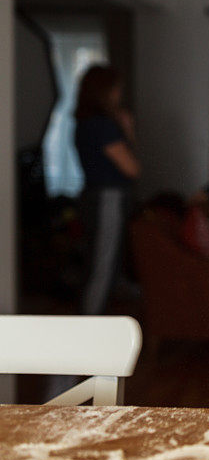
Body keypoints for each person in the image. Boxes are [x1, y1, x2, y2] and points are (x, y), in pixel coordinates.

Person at [74, 65, 140, 315]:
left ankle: (91, 326)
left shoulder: (84, 124)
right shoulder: (102, 126)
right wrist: (128, 131)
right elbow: (132, 168)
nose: (119, 94)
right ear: (105, 91)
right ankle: (87, 332)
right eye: (116, 89)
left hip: (95, 196)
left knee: (99, 265)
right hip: (107, 199)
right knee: (102, 267)